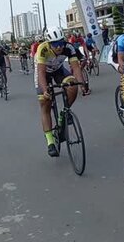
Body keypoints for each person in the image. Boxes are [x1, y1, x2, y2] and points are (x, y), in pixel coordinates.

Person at [34, 27, 90, 157]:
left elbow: (76, 68)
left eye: (60, 43)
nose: (59, 47)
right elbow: (41, 74)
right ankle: (50, 142)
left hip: (58, 70)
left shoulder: (68, 47)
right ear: (49, 44)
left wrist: (82, 84)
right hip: (44, 73)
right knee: (45, 103)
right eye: (55, 44)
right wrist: (45, 90)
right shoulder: (42, 49)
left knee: (72, 85)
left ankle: (63, 113)